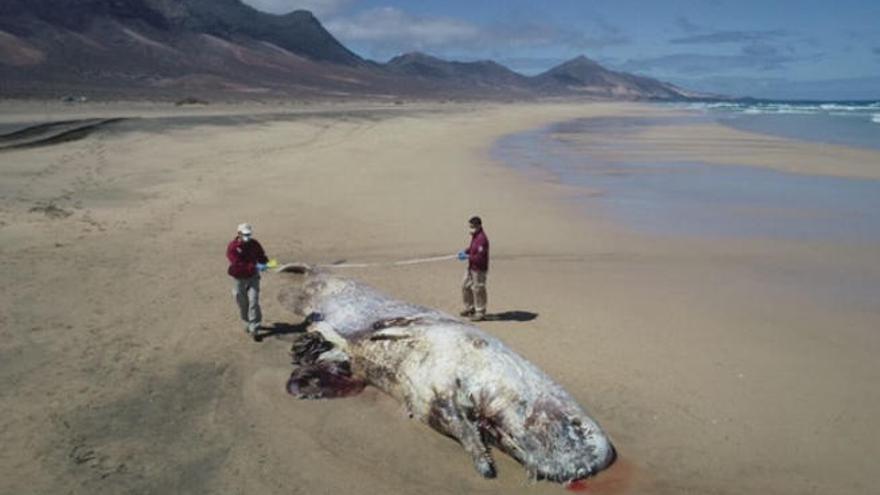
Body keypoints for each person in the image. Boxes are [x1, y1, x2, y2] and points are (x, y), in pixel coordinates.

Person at [226, 223, 269, 339]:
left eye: (249, 234)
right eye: (245, 234)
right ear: (239, 234)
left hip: (253, 277)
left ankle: (255, 326)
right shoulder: (233, 247)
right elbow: (237, 264)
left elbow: (261, 255)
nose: (247, 236)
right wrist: (254, 266)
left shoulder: (254, 244)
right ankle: (247, 321)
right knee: (242, 302)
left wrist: (265, 263)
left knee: (253, 301)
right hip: (239, 278)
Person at [458, 216, 489, 321]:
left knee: (478, 289)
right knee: (465, 286)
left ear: (479, 226)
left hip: (479, 269)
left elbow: (480, 257)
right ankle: (469, 307)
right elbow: (472, 248)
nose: (470, 229)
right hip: (471, 267)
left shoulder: (482, 239)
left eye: (472, 227)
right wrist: (466, 251)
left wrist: (468, 257)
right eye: (470, 226)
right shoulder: (475, 236)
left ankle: (480, 312)